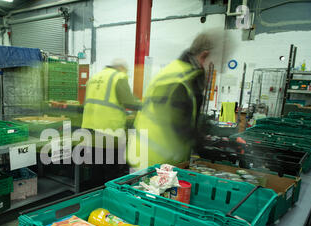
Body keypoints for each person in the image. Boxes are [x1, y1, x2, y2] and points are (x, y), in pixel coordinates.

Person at [128, 30, 220, 170]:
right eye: (216, 62)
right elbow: (179, 125)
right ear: (205, 55)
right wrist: (206, 145)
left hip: (154, 158)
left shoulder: (180, 72)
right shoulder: (181, 79)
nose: (216, 68)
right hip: (152, 161)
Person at [81, 59, 142, 184]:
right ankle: (110, 196)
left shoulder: (95, 77)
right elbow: (129, 102)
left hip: (89, 129)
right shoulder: (118, 76)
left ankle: (95, 195)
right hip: (109, 130)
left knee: (96, 167)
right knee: (112, 170)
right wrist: (144, 105)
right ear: (121, 68)